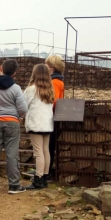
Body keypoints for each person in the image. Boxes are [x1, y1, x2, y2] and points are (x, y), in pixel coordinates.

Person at [0, 59, 28, 194]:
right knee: (11, 153)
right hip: (12, 122)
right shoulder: (15, 88)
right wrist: (16, 115)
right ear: (14, 73)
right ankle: (14, 185)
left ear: (1, 68)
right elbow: (23, 108)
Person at [23, 64, 55, 190]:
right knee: (45, 150)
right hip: (47, 123)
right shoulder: (50, 89)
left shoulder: (32, 89)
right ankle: (45, 177)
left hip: (36, 123)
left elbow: (24, 104)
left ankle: (38, 178)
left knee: (38, 152)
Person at [45, 55, 65, 183]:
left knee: (48, 146)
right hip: (55, 116)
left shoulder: (54, 82)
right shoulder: (59, 81)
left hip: (51, 116)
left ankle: (45, 172)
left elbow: (54, 100)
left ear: (51, 68)